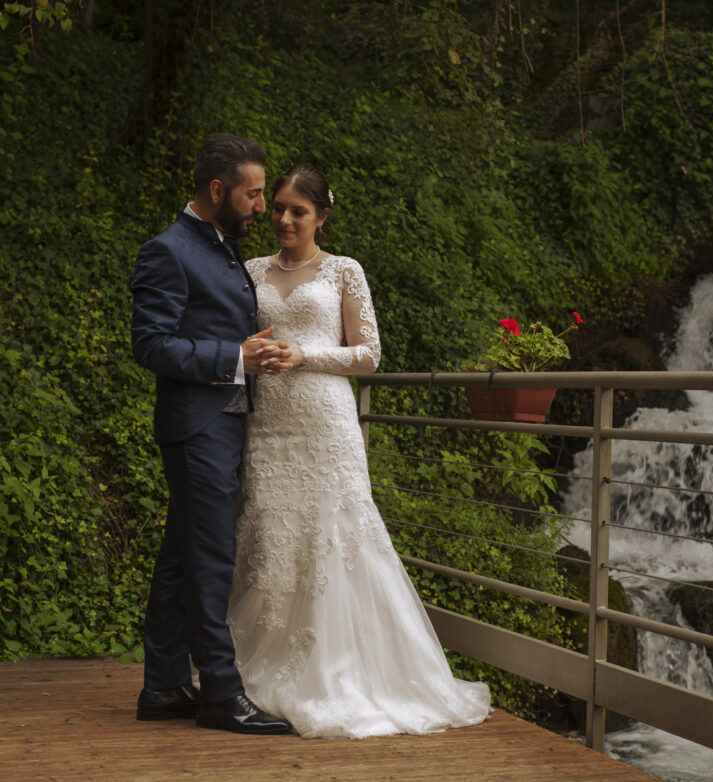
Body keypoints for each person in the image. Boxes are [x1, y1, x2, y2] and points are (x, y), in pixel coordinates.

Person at [227, 166, 491, 738]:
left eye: (298, 210)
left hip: (324, 420)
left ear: (322, 216)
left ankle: (342, 671)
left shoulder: (344, 271)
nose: (284, 219)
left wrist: (306, 356)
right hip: (268, 421)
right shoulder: (248, 272)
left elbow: (369, 354)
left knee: (335, 534)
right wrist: (250, 350)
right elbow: (237, 339)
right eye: (277, 208)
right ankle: (256, 666)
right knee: (271, 534)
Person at [130, 133, 294, 735]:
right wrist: (235, 358)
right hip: (199, 425)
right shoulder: (168, 251)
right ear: (218, 190)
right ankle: (222, 694)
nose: (263, 206)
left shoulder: (223, 246)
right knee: (210, 559)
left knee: (180, 557)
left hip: (221, 423)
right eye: (253, 194)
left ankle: (163, 686)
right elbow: (150, 343)